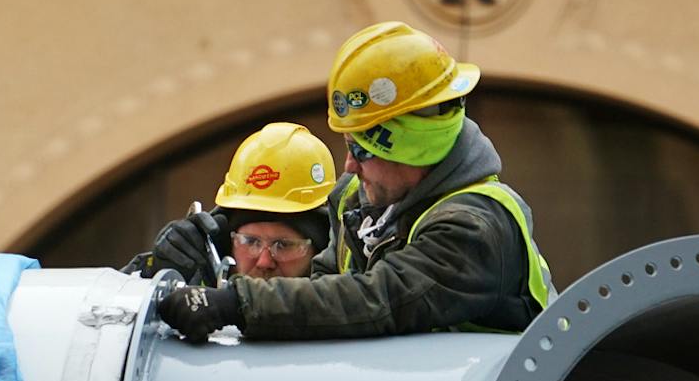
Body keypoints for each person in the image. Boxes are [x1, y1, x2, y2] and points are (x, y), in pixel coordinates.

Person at [157, 21, 554, 344]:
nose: (348, 166)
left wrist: (234, 303)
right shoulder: (359, 197)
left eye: (363, 151)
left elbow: (374, 300)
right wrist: (208, 248)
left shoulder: (475, 227)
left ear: (414, 149)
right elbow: (316, 278)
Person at [128, 122, 339, 284]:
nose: (264, 262)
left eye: (283, 245)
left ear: (321, 250)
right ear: (228, 242)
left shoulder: (346, 302)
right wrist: (155, 271)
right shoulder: (202, 280)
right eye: (250, 242)